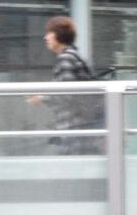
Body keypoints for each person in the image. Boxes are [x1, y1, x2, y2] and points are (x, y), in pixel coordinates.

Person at [27, 14, 101, 155]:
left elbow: (68, 95)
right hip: (81, 127)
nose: (45, 38)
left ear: (59, 34)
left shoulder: (66, 58)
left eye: (49, 33)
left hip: (73, 129)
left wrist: (41, 98)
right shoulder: (76, 56)